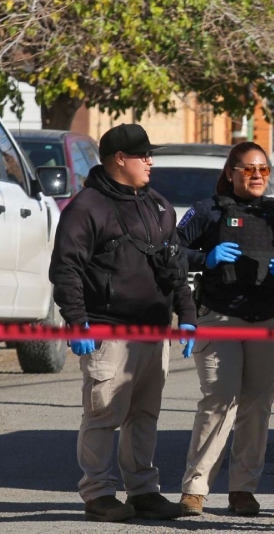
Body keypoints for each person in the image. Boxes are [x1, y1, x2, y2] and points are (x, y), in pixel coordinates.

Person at [49, 123, 195, 522]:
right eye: (143, 154)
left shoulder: (160, 206)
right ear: (119, 159)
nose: (151, 161)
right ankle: (98, 494)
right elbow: (66, 269)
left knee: (144, 416)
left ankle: (144, 492)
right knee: (103, 416)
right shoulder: (86, 208)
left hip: (153, 331)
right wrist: (77, 322)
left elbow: (175, 269)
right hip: (108, 331)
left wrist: (188, 316)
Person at [174, 141, 274, 517]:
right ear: (231, 173)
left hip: (267, 319)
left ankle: (243, 490)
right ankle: (195, 490)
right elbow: (171, 250)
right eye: (249, 169)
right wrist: (205, 259)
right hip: (220, 317)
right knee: (219, 401)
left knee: (256, 407)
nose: (257, 176)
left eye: (264, 170)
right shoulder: (207, 212)